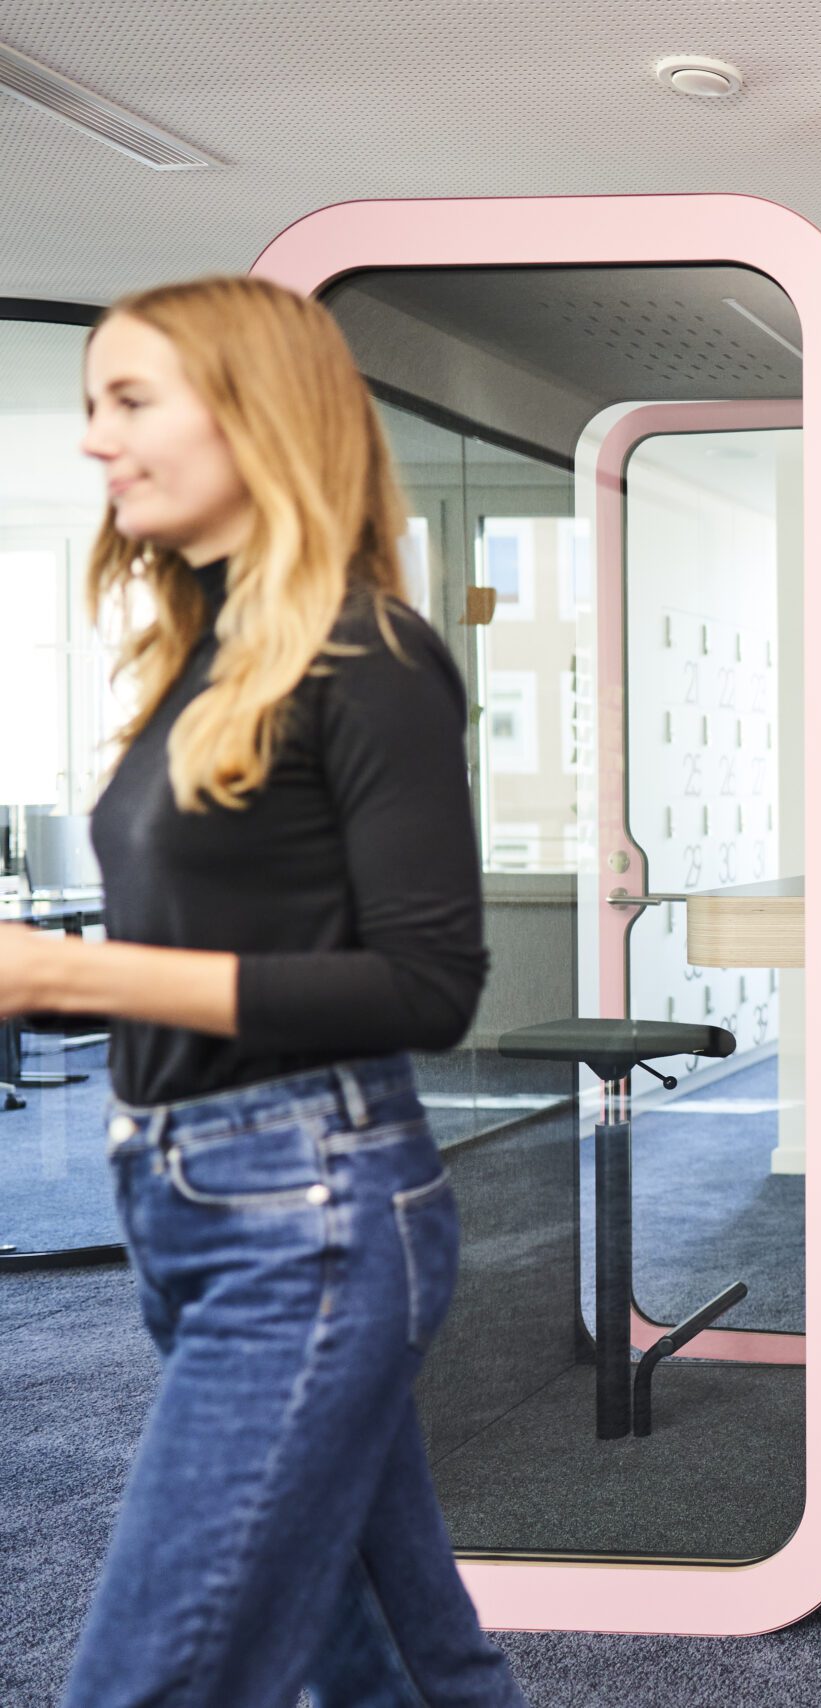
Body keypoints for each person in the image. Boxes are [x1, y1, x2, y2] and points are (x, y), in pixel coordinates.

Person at [0, 276, 525, 1707]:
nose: (98, 444)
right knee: (404, 1669)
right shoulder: (201, 659)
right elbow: (203, 943)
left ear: (257, 412)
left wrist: (62, 966)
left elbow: (429, 984)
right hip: (182, 1193)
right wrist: (43, 990)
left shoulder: (369, 655)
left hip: (309, 1210)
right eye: (89, 407)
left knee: (146, 1679)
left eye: (131, 400)